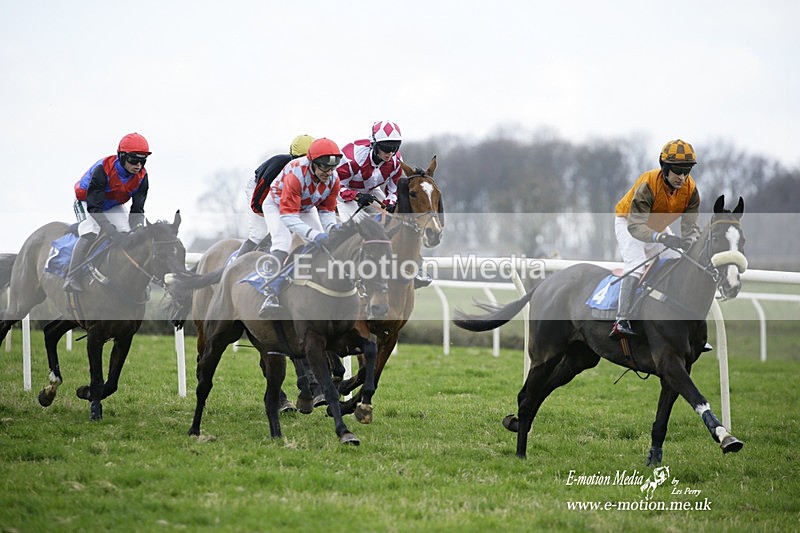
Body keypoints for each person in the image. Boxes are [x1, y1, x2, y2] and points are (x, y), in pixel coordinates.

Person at [610, 139, 701, 339]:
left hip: (657, 228)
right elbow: (636, 226)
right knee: (637, 263)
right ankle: (621, 319)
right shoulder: (648, 184)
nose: (682, 177)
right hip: (629, 223)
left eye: (686, 171)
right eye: (678, 171)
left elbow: (690, 228)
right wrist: (661, 237)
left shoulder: (691, 190)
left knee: (678, 260)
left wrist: (690, 241)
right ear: (665, 168)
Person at [336, 120, 432, 287]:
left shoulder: (396, 160)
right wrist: (356, 196)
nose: (390, 153)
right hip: (344, 193)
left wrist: (390, 202)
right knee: (358, 227)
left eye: (395, 147)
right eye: (386, 147)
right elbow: (333, 185)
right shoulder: (352, 158)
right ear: (374, 144)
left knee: (396, 219)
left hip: (370, 190)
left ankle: (414, 263)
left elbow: (393, 187)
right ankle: (350, 270)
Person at [258, 137, 342, 316]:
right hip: (277, 205)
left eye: (332, 168)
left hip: (305, 206)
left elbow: (326, 211)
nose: (328, 173)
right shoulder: (296, 174)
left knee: (323, 243)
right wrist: (314, 234)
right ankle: (270, 293)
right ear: (313, 163)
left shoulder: (334, 179)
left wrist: (332, 229)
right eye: (324, 167)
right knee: (283, 242)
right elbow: (288, 217)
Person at [64, 132, 151, 291]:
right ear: (122, 156)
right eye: (134, 160)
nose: (138, 165)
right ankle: (71, 276)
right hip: (87, 201)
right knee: (91, 232)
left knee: (128, 234)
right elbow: (94, 208)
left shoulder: (142, 177)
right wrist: (111, 231)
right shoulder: (102, 170)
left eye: (143, 160)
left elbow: (137, 210)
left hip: (112, 203)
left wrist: (138, 229)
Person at [237, 134, 315, 257]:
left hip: (283, 195)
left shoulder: (317, 171)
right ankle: (235, 264)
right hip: (259, 190)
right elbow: (257, 203)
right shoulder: (278, 166)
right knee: (259, 233)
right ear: (293, 158)